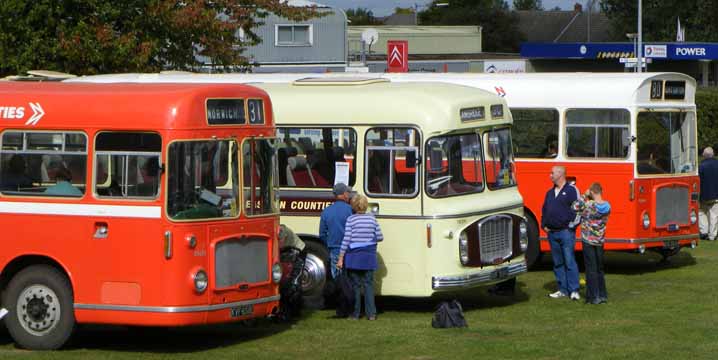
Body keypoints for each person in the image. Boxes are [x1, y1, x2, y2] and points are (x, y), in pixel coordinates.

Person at [337, 194, 383, 320]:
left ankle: (355, 314)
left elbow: (346, 240)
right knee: (368, 285)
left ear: (353, 206)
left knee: (355, 286)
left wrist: (341, 257)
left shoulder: (351, 220)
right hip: (368, 256)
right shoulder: (372, 219)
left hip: (354, 257)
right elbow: (380, 237)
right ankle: (371, 314)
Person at [541, 165, 581, 300]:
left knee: (569, 261)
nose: (550, 175)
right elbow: (544, 210)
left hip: (566, 232)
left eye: (552, 173)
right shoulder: (549, 193)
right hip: (552, 233)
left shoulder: (571, 190)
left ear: (560, 174)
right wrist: (543, 225)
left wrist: (571, 226)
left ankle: (574, 290)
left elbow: (578, 209)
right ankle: (562, 289)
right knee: (558, 263)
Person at [572, 182, 611, 305]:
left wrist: (584, 195)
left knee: (591, 269)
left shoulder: (588, 205)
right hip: (600, 240)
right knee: (599, 268)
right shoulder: (607, 206)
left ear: (592, 192)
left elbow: (574, 207)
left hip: (588, 240)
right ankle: (602, 295)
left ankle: (593, 297)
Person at [319, 182, 353, 279]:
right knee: (350, 279)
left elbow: (322, 234)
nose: (349, 195)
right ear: (343, 194)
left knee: (337, 279)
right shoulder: (351, 210)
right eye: (347, 193)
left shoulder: (326, 211)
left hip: (334, 249)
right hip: (350, 249)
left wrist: (329, 244)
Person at [277, 224, 306, 320]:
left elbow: (280, 245)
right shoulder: (279, 229)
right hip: (289, 252)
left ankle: (291, 312)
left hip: (297, 252)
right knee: (288, 284)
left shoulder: (281, 230)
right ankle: (290, 311)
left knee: (293, 283)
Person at [699, 147, 718, 241]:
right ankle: (712, 235)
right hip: (716, 194)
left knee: (701, 212)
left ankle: (704, 232)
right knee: (714, 214)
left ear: (704, 155)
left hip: (704, 194)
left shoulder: (701, 166)